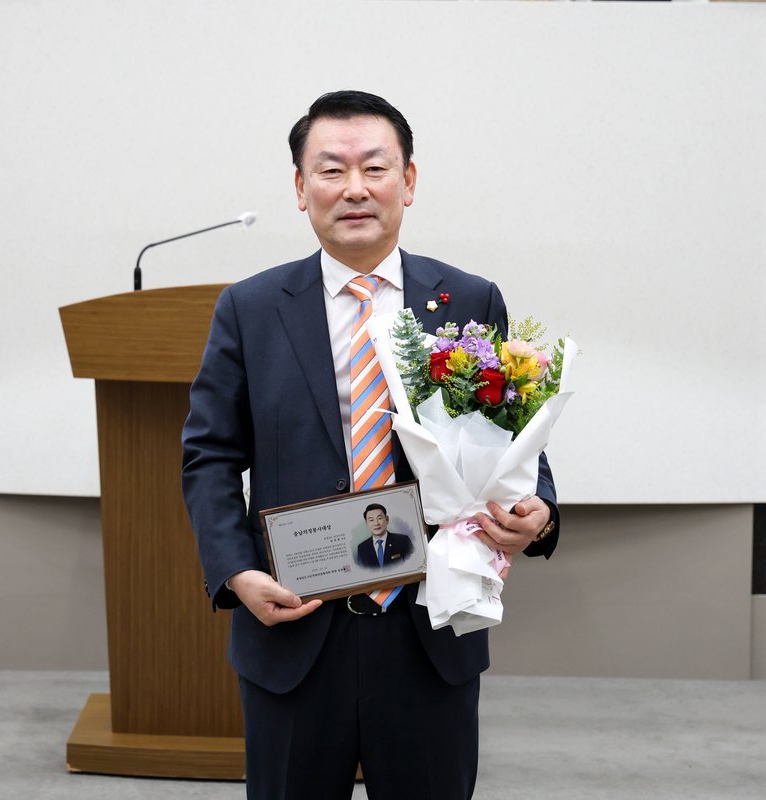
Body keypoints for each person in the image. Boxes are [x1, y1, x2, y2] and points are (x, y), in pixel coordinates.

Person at [182, 90, 560, 800]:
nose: (354, 188)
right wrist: (235, 572)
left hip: (428, 630)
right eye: (331, 170)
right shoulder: (250, 308)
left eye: (375, 168)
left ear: (408, 181)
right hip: (294, 625)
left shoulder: (468, 300)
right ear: (301, 189)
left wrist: (537, 509)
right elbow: (210, 457)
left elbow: (513, 434)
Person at [355, 503, 413, 569]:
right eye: (371, 520)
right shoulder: (362, 548)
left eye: (379, 518)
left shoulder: (403, 541)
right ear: (366, 524)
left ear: (387, 519)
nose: (376, 523)